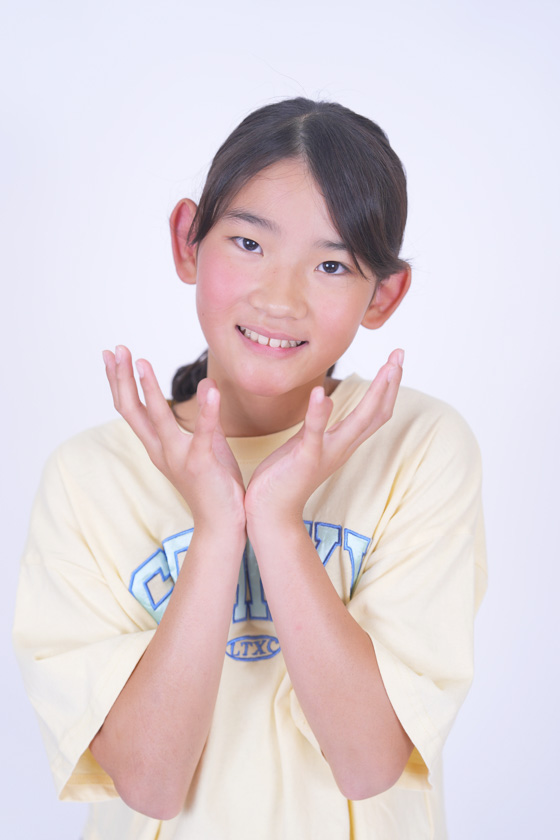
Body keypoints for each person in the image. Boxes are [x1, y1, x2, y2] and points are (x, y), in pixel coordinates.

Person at [13, 97, 487, 840]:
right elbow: (149, 782)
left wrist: (276, 521)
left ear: (384, 295)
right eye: (248, 243)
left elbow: (369, 761)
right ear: (188, 241)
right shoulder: (89, 478)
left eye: (331, 264)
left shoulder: (416, 446)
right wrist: (214, 530)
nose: (279, 298)